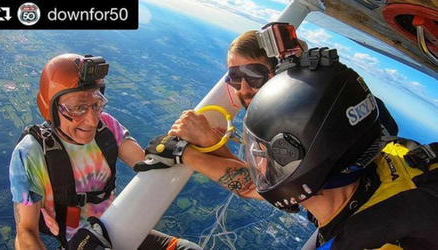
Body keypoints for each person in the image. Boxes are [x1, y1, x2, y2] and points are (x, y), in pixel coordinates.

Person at [141, 48, 438, 249]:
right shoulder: (377, 162)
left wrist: (185, 151)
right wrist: (187, 152)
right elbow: (255, 184)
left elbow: (260, 184)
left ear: (309, 162)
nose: (257, 164)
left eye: (264, 153)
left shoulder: (360, 239)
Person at [137, 30, 397, 199]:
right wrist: (208, 145)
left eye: (253, 75)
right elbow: (267, 180)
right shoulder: (327, 97)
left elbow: (270, 190)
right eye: (234, 77)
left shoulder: (306, 120)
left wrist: (186, 152)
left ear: (283, 71)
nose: (244, 89)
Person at [9, 53, 202, 249]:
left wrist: (177, 149)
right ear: (50, 108)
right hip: (80, 242)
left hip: (118, 224)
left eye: (96, 104)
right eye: (78, 108)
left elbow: (144, 163)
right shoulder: (31, 152)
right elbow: (26, 231)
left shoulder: (106, 126)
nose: (92, 120)